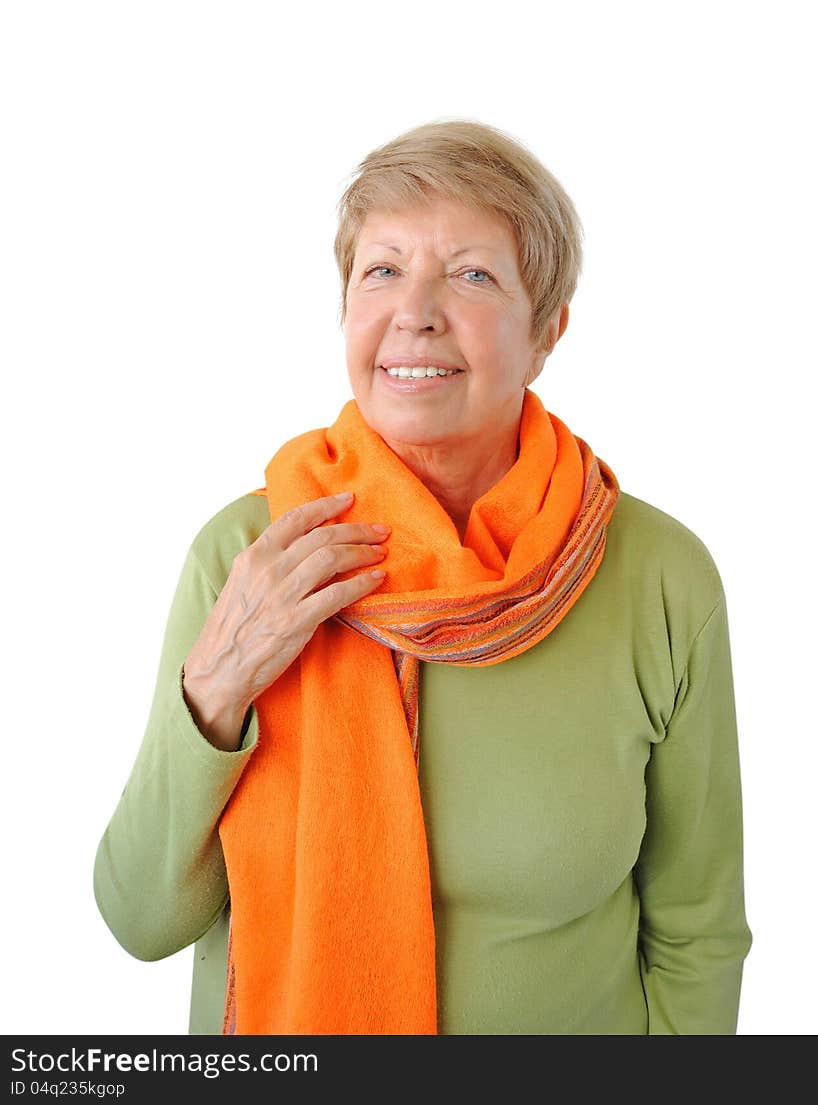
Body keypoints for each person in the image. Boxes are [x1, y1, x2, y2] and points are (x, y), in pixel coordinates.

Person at [93, 118, 752, 1036]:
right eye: (383, 269)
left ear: (547, 330)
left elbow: (698, 929)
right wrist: (216, 691)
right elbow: (139, 918)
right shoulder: (251, 555)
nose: (416, 311)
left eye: (473, 273)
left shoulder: (657, 577)